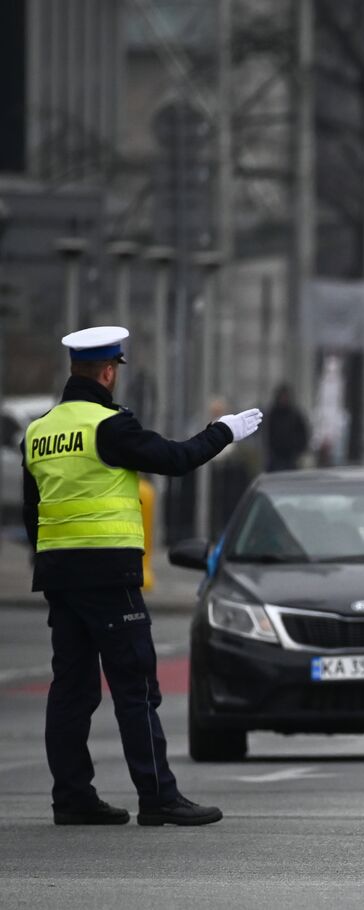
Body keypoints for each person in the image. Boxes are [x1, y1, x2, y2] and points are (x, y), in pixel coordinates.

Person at [21, 326, 263, 827]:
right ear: (109, 372)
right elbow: (174, 459)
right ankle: (158, 796)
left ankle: (72, 798)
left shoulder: (40, 431)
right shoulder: (108, 427)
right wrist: (224, 430)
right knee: (134, 685)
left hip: (60, 576)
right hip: (109, 575)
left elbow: (33, 513)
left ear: (75, 370)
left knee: (71, 690)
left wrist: (51, 562)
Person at [265, 383, 310, 472]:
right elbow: (268, 434)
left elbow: (303, 434)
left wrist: (298, 450)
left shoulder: (295, 415)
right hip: (276, 457)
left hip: (291, 456)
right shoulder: (273, 414)